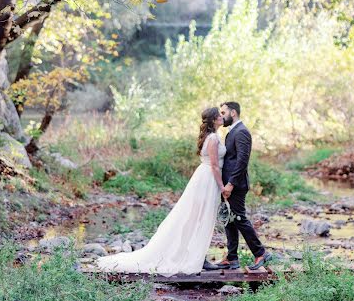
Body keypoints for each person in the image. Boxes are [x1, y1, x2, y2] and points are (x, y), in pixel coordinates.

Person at [96, 107, 226, 276]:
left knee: (195, 218)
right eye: (219, 115)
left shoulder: (211, 136)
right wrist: (222, 186)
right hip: (208, 180)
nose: (222, 117)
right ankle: (196, 257)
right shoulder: (214, 138)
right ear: (214, 119)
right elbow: (215, 165)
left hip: (203, 178)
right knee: (200, 218)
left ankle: (196, 255)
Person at [216, 101, 271, 271]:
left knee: (239, 218)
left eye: (223, 113)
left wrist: (231, 183)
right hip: (228, 184)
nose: (221, 116)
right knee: (229, 220)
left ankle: (261, 253)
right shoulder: (231, 132)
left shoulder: (242, 132)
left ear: (233, 113)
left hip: (236, 185)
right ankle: (232, 258)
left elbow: (242, 161)